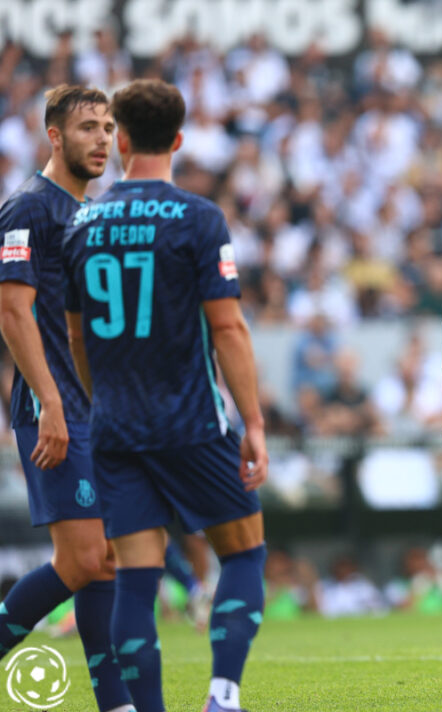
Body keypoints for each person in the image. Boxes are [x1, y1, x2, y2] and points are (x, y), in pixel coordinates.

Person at [61, 79, 269, 712]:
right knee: (244, 552)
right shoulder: (199, 218)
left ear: (119, 140)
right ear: (178, 140)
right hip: (192, 421)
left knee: (137, 578)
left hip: (115, 427)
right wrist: (254, 422)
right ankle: (223, 695)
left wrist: (103, 404)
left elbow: (76, 338)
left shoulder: (82, 223)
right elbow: (228, 326)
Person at [0, 84, 135, 712]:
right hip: (52, 409)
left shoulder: (90, 211)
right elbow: (12, 310)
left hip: (95, 410)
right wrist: (50, 402)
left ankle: (117, 704)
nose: (102, 139)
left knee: (105, 558)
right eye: (88, 128)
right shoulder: (28, 207)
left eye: (108, 128)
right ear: (55, 137)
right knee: (82, 559)